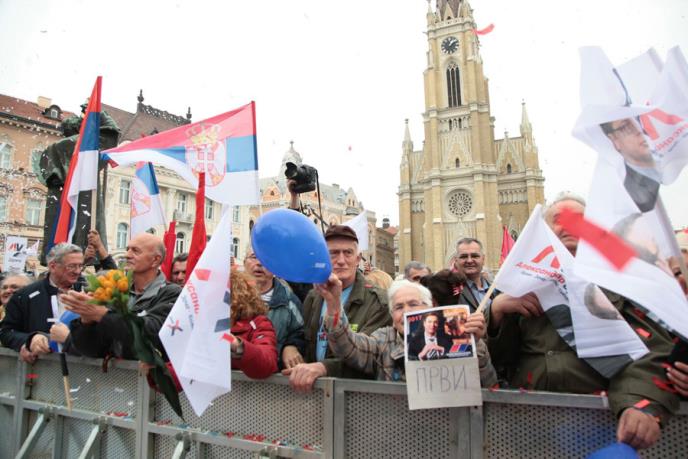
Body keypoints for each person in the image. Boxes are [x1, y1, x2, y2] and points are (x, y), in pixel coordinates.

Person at [486, 193, 679, 450]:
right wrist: (496, 315)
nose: (567, 225)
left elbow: (652, 352)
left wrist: (640, 402)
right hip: (529, 425)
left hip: (601, 423)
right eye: (558, 220)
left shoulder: (622, 282)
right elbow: (498, 363)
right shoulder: (521, 285)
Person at [304, 278, 496, 385]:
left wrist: (475, 344)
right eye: (398, 307)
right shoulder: (383, 340)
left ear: (429, 308)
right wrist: (334, 303)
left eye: (413, 304)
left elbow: (487, 382)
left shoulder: (454, 336)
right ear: (391, 314)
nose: (406, 312)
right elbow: (348, 347)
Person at [284, 225, 391, 391]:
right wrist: (290, 347)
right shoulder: (313, 297)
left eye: (348, 253)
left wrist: (324, 367)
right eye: (333, 253)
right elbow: (303, 338)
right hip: (315, 394)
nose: (341, 260)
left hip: (357, 397)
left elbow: (372, 358)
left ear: (358, 259)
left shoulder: (378, 301)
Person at [63, 233, 181, 359]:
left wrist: (102, 315)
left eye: (135, 251)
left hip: (149, 378)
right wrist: (86, 321)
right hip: (115, 377)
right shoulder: (114, 289)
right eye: (127, 249)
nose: (127, 255)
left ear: (155, 260)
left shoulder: (172, 293)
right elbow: (91, 350)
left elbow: (151, 332)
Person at [0, 243, 84, 363]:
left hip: (84, 370)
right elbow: (6, 332)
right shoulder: (24, 295)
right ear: (53, 266)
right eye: (71, 266)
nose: (77, 271)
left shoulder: (89, 292)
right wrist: (28, 340)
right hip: (42, 370)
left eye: (80, 266)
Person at [244, 246, 305, 370]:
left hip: (272, 378)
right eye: (254, 257)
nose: (260, 263)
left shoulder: (289, 301)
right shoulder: (229, 296)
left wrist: (291, 346)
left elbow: (302, 332)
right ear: (244, 262)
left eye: (267, 259)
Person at [223, 269, 278, 378]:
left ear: (237, 299)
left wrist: (236, 344)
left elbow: (268, 362)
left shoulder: (259, 323)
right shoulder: (202, 324)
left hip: (246, 393)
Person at [600, 119, 660, 212]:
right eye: (627, 127)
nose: (639, 130)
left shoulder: (673, 163)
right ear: (614, 140)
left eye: (640, 122)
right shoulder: (629, 195)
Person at [455, 238, 496, 311]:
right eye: (463, 256)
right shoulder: (449, 292)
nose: (469, 260)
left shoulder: (496, 290)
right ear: (456, 261)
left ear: (483, 259)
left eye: (474, 256)